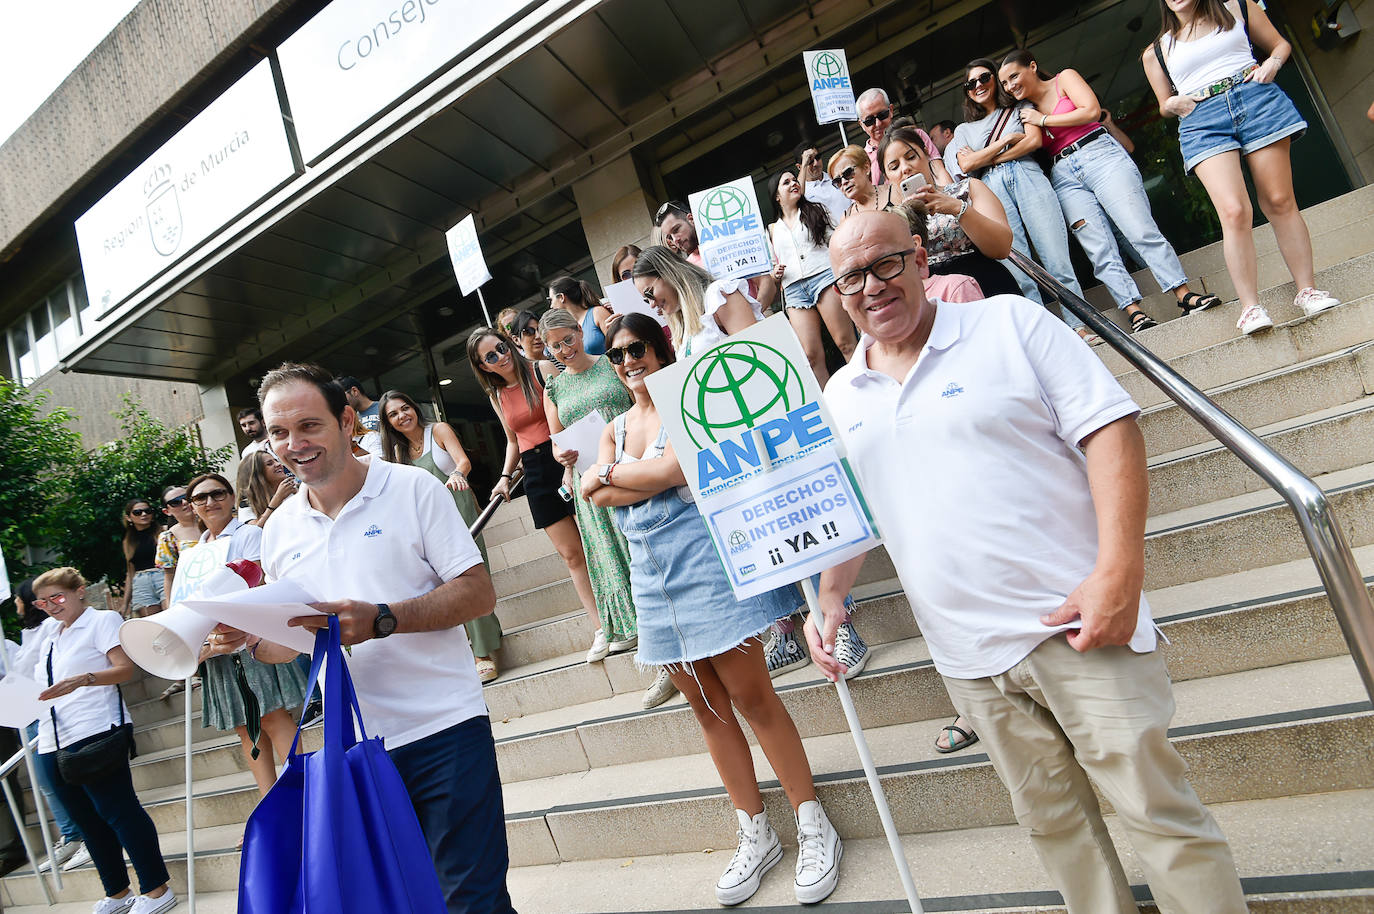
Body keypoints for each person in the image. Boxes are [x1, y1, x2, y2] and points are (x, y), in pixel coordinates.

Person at [809, 210, 1248, 913]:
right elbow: (861, 507)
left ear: (920, 260)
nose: (872, 286)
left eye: (885, 264)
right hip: (968, 657)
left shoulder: (1009, 323)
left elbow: (1111, 430)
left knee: (1159, 816)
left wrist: (1118, 573)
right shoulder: (840, 395)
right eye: (851, 277)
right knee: (1056, 829)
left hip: (1075, 624)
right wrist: (832, 595)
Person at [215, 362, 514, 913]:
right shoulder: (278, 530)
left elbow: (478, 594)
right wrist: (248, 637)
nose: (294, 444)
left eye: (309, 425)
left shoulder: (412, 488)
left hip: (444, 728)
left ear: (347, 421)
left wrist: (382, 618)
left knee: (472, 903)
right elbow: (290, 644)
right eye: (279, 432)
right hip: (353, 749)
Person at [583, 314, 843, 906]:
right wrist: (635, 478)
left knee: (753, 698)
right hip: (652, 582)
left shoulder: (683, 401)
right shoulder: (614, 428)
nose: (628, 362)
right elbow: (594, 497)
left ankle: (811, 820)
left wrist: (615, 476)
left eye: (637, 348)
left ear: (660, 348)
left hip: (706, 565)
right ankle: (756, 830)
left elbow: (677, 469)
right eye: (617, 355)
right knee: (707, 711)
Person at [631, 246, 870, 677]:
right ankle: (788, 631)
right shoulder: (682, 328)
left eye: (650, 292)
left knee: (806, 528)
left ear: (668, 273)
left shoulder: (720, 295)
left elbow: (759, 356)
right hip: (730, 454)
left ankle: (842, 628)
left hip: (767, 435)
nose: (652, 303)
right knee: (767, 539)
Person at [1144, 0, 1340, 334]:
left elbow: (1280, 45)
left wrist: (1273, 63)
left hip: (1257, 99)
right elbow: (1164, 104)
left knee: (1279, 200)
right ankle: (1250, 308)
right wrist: (1171, 103)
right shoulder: (1156, 51)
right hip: (1202, 119)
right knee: (1234, 212)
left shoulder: (1238, 7)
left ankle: (1307, 290)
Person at [1000, 49, 1221, 332]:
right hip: (1063, 174)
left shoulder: (1063, 79)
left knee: (1139, 228)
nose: (1010, 86)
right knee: (1098, 247)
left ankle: (1183, 294)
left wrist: (1043, 120)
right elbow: (1032, 143)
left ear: (1032, 66)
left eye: (1013, 76)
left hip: (1099, 154)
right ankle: (1134, 312)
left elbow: (1090, 111)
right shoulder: (1023, 111)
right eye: (1004, 83)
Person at [537, 309, 678, 707]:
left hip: (637, 465)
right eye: (554, 346)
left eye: (568, 339)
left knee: (650, 556)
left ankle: (673, 652)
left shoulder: (615, 362)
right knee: (622, 565)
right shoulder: (554, 388)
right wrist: (562, 456)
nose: (564, 350)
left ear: (579, 333)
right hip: (593, 481)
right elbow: (556, 440)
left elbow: (640, 402)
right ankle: (661, 659)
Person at [31, 566, 178, 914]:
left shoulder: (102, 621)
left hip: (95, 727)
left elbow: (125, 669)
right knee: (86, 820)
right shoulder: (50, 634)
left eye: (57, 597)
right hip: (52, 736)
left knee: (119, 810)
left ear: (80, 591)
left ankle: (156, 889)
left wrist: (84, 679)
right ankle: (117, 892)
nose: (51, 606)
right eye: (42, 602)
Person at [468, 327, 603, 659]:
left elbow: (567, 408)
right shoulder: (496, 395)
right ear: (483, 366)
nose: (501, 357)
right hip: (535, 470)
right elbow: (513, 440)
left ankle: (623, 610)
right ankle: (600, 627)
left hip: (567, 457)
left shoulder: (540, 369)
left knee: (598, 540)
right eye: (490, 356)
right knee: (571, 555)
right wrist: (504, 477)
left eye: (501, 347)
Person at [187, 472, 308, 836]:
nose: (210, 502)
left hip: (249, 639)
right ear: (192, 507)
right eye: (200, 497)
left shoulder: (248, 534)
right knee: (245, 728)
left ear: (230, 496)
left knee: (272, 717)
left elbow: (257, 584)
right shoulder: (192, 554)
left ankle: (307, 798)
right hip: (215, 649)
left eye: (217, 493)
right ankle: (272, 813)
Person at [949, 58, 1097, 341]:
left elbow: (1033, 141)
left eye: (984, 78)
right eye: (971, 84)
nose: (978, 86)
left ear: (996, 78)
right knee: (1017, 265)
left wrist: (986, 156)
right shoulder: (963, 130)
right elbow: (967, 165)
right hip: (991, 188)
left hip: (1027, 174)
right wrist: (1006, 141)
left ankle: (1079, 325)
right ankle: (1040, 336)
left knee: (1056, 257)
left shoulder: (1021, 107)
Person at [378, 389, 505, 683]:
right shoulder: (397, 454)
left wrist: (457, 474)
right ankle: (484, 637)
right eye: (393, 414)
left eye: (405, 408)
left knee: (469, 578)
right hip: (427, 522)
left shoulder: (438, 430)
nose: (402, 416)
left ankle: (482, 654)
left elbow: (463, 461)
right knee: (449, 585)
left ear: (414, 407)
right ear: (388, 423)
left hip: (459, 510)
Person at [878, 123, 1021, 297]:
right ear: (886, 178)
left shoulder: (968, 189)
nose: (905, 168)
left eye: (911, 157)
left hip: (987, 287)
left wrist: (957, 208)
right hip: (933, 301)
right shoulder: (890, 220)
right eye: (894, 167)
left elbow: (1002, 247)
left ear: (927, 154)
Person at [10, 578, 86, 870]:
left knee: (65, 779)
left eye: (18, 598)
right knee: (47, 784)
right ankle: (71, 835)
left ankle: (85, 836)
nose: (16, 604)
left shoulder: (49, 628)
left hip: (49, 711)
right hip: (28, 712)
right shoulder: (29, 633)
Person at [767, 168, 857, 387]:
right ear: (777, 196)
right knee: (810, 356)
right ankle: (829, 402)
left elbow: (835, 242)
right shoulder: (771, 230)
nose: (793, 183)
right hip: (793, 290)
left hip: (824, 277)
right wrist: (775, 273)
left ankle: (865, 389)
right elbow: (770, 267)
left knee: (845, 342)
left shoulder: (816, 210)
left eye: (794, 180)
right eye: (786, 182)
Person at [652, 201, 778, 309]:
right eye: (670, 236)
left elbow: (766, 283)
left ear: (691, 219)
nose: (675, 240)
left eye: (676, 230)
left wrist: (753, 316)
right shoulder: (687, 268)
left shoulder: (729, 245)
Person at [854, 87, 952, 185]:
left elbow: (939, 171)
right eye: (869, 121)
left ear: (891, 110)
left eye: (882, 115)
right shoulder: (862, 160)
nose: (878, 123)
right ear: (861, 124)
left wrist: (949, 193)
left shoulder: (915, 135)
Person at [118, 499, 164, 618]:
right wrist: (125, 604)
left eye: (147, 511)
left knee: (174, 616)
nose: (144, 514)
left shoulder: (163, 532)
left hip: (164, 577)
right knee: (153, 624)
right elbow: (130, 573)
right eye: (137, 512)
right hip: (141, 583)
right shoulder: (128, 542)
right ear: (129, 518)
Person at [827, 144, 902, 216]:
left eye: (848, 173)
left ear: (866, 168)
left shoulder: (896, 192)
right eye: (838, 181)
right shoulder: (847, 218)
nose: (844, 182)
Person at [547, 276, 612, 356]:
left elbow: (617, 342)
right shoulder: (569, 327)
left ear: (561, 297)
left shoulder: (597, 313)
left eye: (551, 300)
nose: (551, 306)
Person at [792, 139, 850, 226]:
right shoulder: (801, 192)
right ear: (799, 167)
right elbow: (796, 201)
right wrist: (804, 164)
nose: (816, 163)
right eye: (810, 161)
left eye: (818, 157)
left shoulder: (837, 177)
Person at [241, 450, 299, 528]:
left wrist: (299, 494)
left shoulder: (293, 490)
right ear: (257, 473)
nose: (278, 464)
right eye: (269, 464)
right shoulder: (246, 503)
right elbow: (255, 530)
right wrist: (276, 500)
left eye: (276, 461)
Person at [512, 308, 559, 379]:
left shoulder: (560, 359)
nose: (538, 336)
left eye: (540, 330)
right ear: (516, 340)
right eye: (529, 331)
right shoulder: (521, 375)